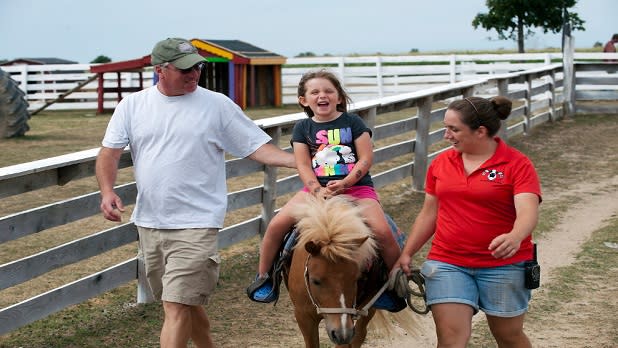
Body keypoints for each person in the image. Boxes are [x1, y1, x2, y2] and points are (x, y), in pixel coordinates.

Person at [95, 37, 295, 348]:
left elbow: (257, 147)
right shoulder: (132, 106)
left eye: (198, 67)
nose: (194, 74)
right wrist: (107, 191)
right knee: (182, 303)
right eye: (185, 69)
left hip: (198, 222)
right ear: (160, 70)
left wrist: (302, 165)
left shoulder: (217, 105)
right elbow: (109, 153)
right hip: (150, 221)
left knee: (175, 307)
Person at [246, 69, 404, 311]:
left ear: (339, 97)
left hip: (357, 189)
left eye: (329, 91)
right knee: (277, 225)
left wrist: (346, 183)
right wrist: (316, 189)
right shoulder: (302, 128)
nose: (323, 95)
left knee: (383, 232)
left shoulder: (353, 123)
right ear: (304, 100)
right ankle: (266, 277)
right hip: (315, 191)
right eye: (315, 92)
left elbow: (365, 159)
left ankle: (393, 284)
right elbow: (302, 163)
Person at [394, 96, 542, 347]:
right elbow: (429, 213)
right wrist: (407, 253)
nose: (446, 136)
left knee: (508, 337)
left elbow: (528, 211)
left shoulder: (517, 164)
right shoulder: (441, 163)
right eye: (446, 127)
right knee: (451, 340)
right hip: (448, 262)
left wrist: (516, 236)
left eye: (453, 129)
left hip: (504, 265)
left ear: (480, 131)